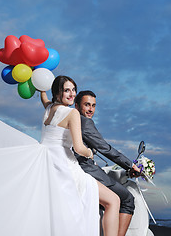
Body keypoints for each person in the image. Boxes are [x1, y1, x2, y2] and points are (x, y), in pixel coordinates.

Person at [40, 76, 120, 236]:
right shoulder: (72, 113)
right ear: (57, 93)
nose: (71, 94)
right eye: (66, 90)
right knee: (113, 201)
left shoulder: (49, 108)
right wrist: (91, 153)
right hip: (67, 168)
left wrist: (40, 85)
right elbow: (79, 148)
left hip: (49, 166)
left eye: (73, 90)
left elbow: (43, 98)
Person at [74, 90, 140, 236]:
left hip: (80, 168)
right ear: (77, 106)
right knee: (127, 199)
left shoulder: (70, 120)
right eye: (87, 105)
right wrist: (130, 165)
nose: (91, 109)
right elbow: (105, 148)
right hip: (87, 171)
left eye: (93, 105)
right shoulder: (84, 122)